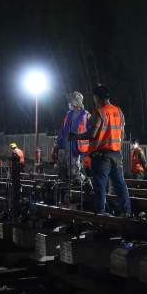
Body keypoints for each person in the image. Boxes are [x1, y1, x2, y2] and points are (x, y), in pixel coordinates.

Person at [74, 84, 130, 217]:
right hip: (116, 154)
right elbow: (123, 134)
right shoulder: (119, 111)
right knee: (120, 184)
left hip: (101, 156)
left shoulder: (99, 112)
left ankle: (101, 214)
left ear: (97, 97)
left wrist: (76, 136)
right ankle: (126, 211)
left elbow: (92, 134)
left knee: (100, 186)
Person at [52, 91, 90, 184]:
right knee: (61, 171)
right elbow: (63, 129)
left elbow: (91, 132)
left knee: (74, 173)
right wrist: (57, 142)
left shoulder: (86, 115)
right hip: (64, 146)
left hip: (76, 148)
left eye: (71, 100)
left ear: (77, 102)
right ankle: (65, 192)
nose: (69, 102)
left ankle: (85, 183)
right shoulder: (69, 114)